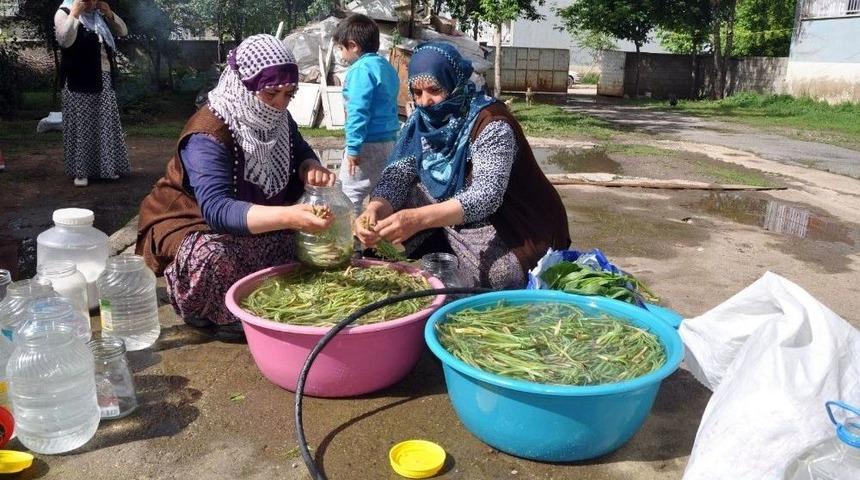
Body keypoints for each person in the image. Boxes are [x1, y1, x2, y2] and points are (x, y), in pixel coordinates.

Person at [135, 35, 335, 339]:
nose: (280, 104)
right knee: (213, 257)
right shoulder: (208, 134)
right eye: (272, 94)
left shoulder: (278, 119)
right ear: (244, 86)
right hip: (193, 220)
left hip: (253, 212)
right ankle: (208, 311)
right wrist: (290, 216)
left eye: (289, 95)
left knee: (309, 244)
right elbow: (218, 210)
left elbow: (299, 147)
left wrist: (309, 166)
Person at [354, 42, 570, 290]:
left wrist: (418, 219)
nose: (425, 102)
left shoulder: (491, 122)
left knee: (498, 275)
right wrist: (376, 208)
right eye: (417, 92)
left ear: (454, 83)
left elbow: (486, 196)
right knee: (387, 227)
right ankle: (439, 247)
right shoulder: (419, 122)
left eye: (434, 90)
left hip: (512, 221)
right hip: (454, 213)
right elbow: (398, 174)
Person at [55, 0, 129, 187]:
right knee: (82, 127)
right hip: (78, 80)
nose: (93, 3)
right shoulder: (64, 12)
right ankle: (81, 172)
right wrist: (74, 14)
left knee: (104, 125)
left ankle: (106, 168)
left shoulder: (98, 17)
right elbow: (65, 41)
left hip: (103, 78)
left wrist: (109, 14)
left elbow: (123, 31)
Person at [333, 14, 400, 215]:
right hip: (388, 142)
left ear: (353, 46)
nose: (341, 54)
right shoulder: (386, 67)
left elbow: (357, 111)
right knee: (380, 194)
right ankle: (377, 231)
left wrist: (353, 148)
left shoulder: (360, 70)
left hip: (366, 144)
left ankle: (349, 234)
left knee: (348, 196)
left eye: (341, 48)